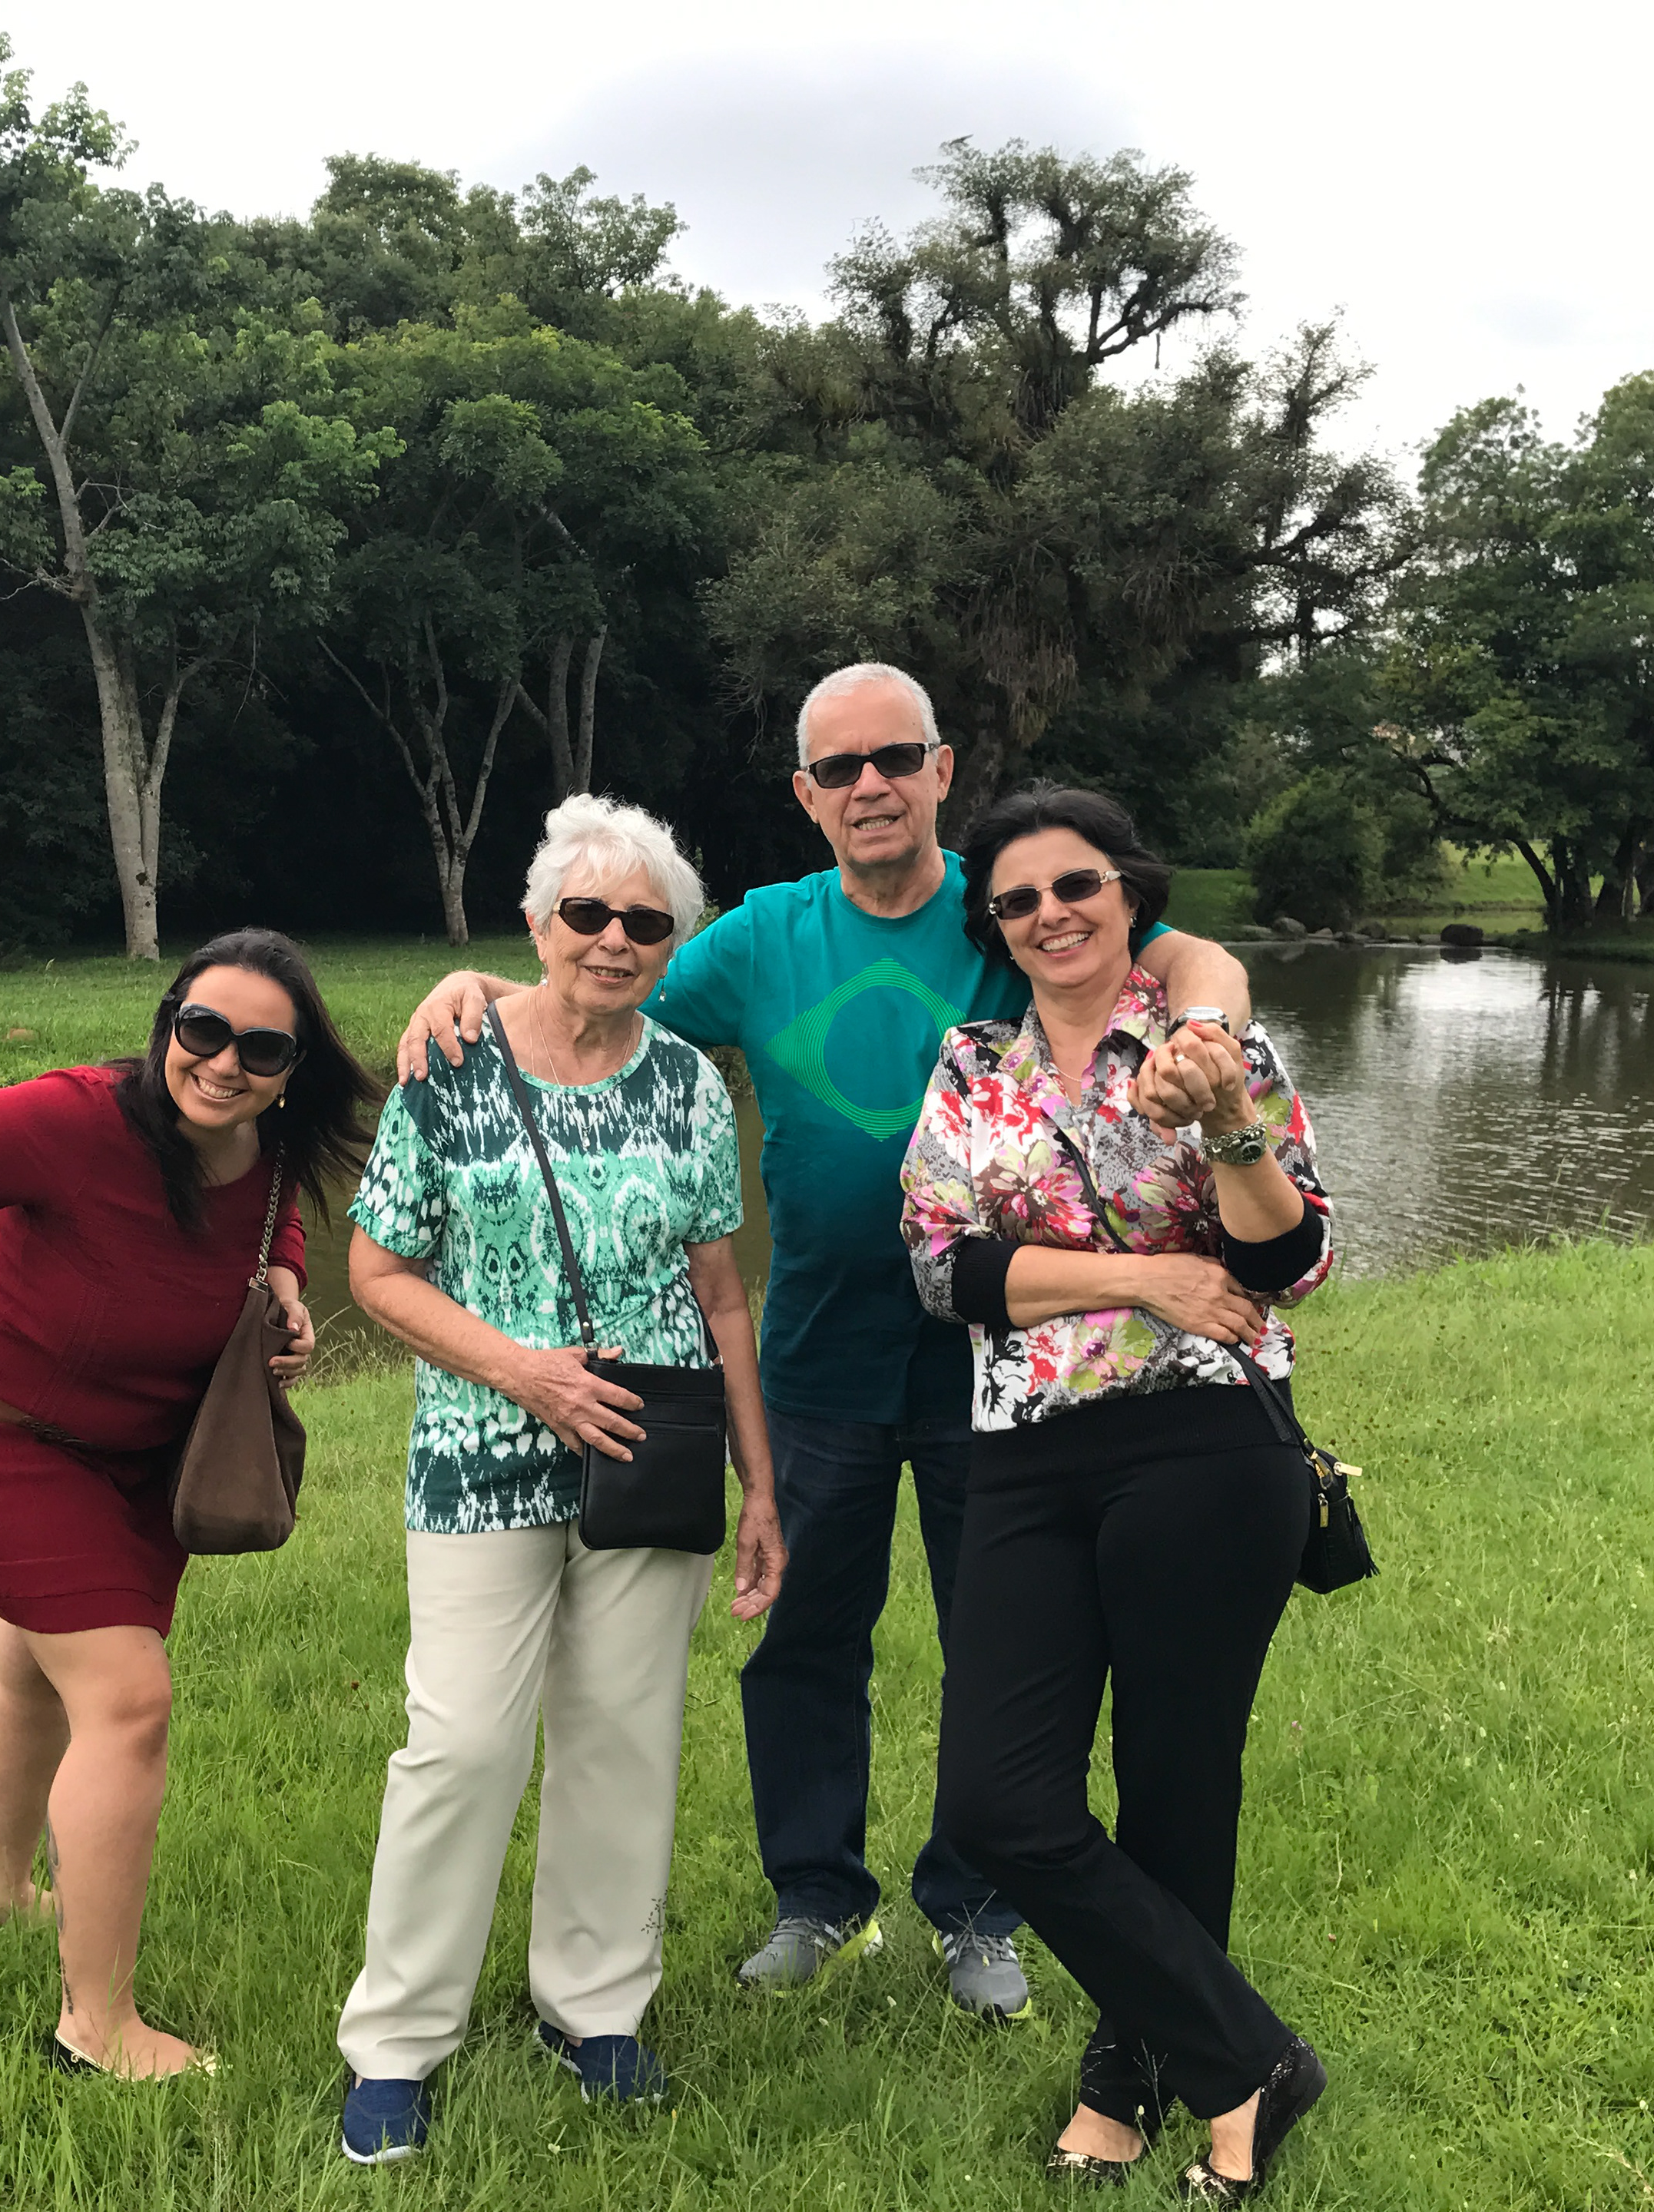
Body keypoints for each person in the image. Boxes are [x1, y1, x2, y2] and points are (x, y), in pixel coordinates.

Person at [398, 664, 1250, 2018]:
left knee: (1003, 1650)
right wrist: (471, 987)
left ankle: (979, 1907)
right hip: (817, 1356)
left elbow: (1184, 954)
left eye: (895, 758)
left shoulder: (1004, 905)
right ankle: (816, 1895)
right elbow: (603, 986)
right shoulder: (761, 937)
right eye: (840, 768)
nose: (871, 786)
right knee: (804, 1640)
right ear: (805, 793)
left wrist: (1204, 1023)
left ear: (941, 770)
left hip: (1006, 1361)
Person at [0, 927, 375, 2081]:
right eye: (204, 1030)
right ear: (166, 1024)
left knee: (31, 1667)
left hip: (138, 1459)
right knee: (129, 1700)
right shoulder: (72, 1120)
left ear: (292, 1071)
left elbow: (276, 1219)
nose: (225, 1064)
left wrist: (285, 1290)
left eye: (261, 1049)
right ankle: (98, 2029)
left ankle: (0, 1892)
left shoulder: (267, 1148)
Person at [336, 796, 787, 2165]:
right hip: (480, 1457)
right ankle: (399, 2039)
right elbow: (377, 1271)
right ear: (536, 925)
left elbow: (722, 1292)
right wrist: (523, 1372)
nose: (614, 939)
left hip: (653, 1452)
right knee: (460, 1745)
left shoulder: (688, 1082)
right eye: (586, 913)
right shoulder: (450, 1062)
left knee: (624, 1739)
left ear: (672, 943)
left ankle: (594, 2011)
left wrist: (761, 1485)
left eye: (646, 921)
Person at [900, 783, 1333, 2201]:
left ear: (1129, 893)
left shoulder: (1212, 1043)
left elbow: (1288, 1264)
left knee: (1176, 1783)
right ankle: (1251, 2057)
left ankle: (1126, 2082)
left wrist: (1232, 1129)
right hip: (1024, 1454)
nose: (1051, 915)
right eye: (1018, 900)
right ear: (995, 929)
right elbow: (943, 1270)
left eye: (1076, 884)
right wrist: (1144, 1276)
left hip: (1206, 1448)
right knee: (998, 1800)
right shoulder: (973, 1065)